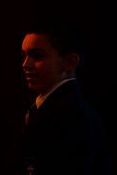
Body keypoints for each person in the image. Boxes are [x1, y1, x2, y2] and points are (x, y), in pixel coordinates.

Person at [20, 20, 112, 174]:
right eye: (24, 55)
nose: (25, 64)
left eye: (37, 56)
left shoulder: (74, 117)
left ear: (69, 62)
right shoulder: (50, 110)